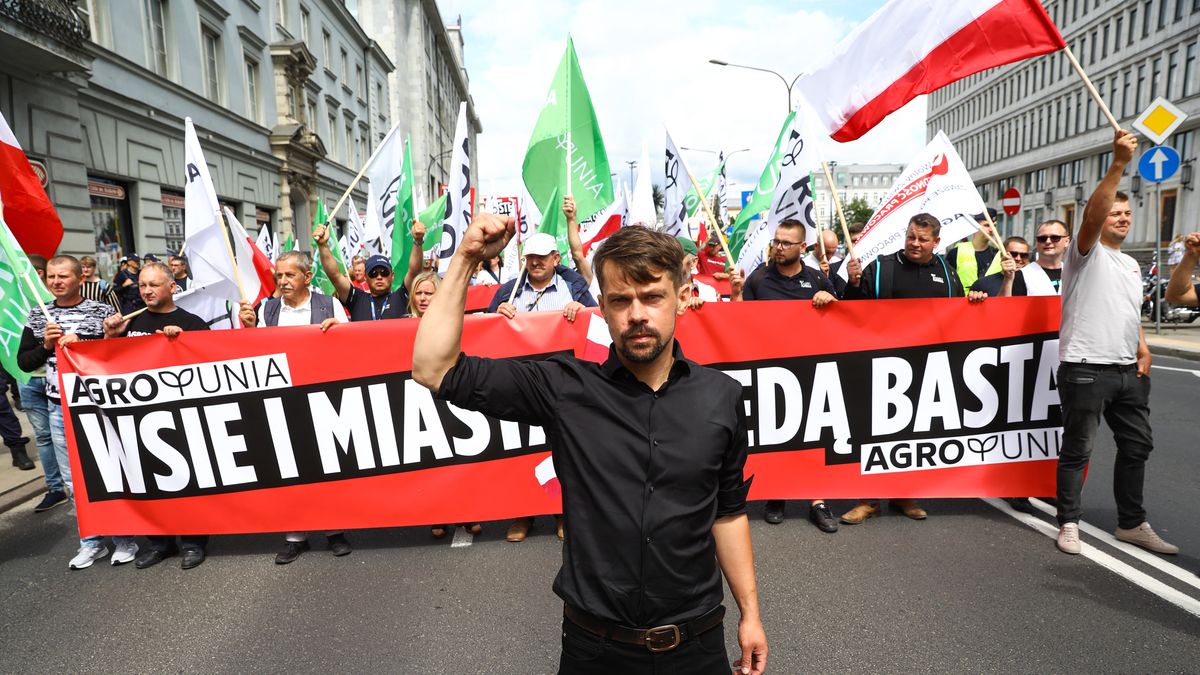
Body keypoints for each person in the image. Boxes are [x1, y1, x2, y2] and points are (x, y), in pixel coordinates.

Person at [413, 218, 767, 674]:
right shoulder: (565, 388)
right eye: (620, 300)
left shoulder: (722, 396)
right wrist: (465, 258)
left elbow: (728, 512)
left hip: (697, 646)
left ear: (682, 297)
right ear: (602, 306)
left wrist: (751, 614)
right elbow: (432, 367)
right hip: (595, 650)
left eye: (652, 297)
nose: (636, 314)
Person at [1054, 129, 1176, 557]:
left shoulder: (1130, 265)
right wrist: (1119, 163)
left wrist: (1143, 346)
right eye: (1114, 212)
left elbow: (1128, 311)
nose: (1122, 218)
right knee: (1078, 449)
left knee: (1138, 445)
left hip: (1128, 372)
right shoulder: (1084, 253)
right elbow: (1091, 216)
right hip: (1086, 367)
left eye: (1127, 213)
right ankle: (1069, 522)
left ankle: (1131, 523)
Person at [841, 214, 988, 524]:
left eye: (923, 239)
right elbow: (852, 311)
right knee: (873, 434)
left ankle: (903, 494)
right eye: (911, 236)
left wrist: (974, 300)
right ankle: (868, 500)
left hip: (925, 370)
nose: (915, 243)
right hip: (880, 364)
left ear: (936, 242)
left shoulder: (946, 273)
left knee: (912, 434)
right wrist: (853, 285)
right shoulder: (881, 267)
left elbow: (958, 316)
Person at [17, 255, 138, 569]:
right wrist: (46, 345)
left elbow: (119, 355)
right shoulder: (38, 315)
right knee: (73, 480)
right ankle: (91, 541)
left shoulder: (101, 311)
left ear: (79, 279)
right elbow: (24, 363)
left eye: (63, 276)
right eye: (52, 277)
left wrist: (87, 341)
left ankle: (124, 539)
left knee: (108, 471)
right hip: (59, 408)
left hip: (96, 406)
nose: (56, 282)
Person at [234, 251, 355, 564]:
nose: (283, 281)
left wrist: (340, 332)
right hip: (282, 400)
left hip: (322, 397)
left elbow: (352, 346)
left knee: (325, 466)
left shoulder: (329, 305)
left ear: (307, 276)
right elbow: (257, 355)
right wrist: (251, 329)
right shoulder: (268, 309)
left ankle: (334, 531)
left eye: (289, 275)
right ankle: (295, 536)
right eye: (279, 275)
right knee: (289, 468)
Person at [486, 229, 596, 542]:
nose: (535, 262)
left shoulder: (573, 287)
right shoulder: (509, 291)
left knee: (561, 447)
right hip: (520, 383)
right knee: (521, 449)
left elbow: (597, 319)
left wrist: (582, 311)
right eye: (530, 257)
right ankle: (523, 514)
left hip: (563, 382)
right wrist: (497, 314)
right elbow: (487, 328)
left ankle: (561, 512)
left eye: (542, 257)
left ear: (555, 258)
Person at [730, 220, 839, 533]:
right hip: (771, 371)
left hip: (811, 370)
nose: (778, 247)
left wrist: (829, 300)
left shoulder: (816, 278)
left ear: (802, 247)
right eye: (776, 241)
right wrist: (736, 295)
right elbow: (737, 321)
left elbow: (841, 319)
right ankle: (776, 494)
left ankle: (817, 501)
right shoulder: (758, 278)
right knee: (776, 433)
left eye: (786, 243)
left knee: (814, 437)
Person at [102, 262, 212, 569]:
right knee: (148, 481)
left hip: (180, 417)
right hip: (138, 416)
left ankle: (193, 542)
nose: (146, 291)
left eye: (154, 284)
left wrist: (183, 344)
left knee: (187, 482)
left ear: (172, 287)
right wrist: (110, 338)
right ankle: (160, 543)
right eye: (142, 285)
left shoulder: (192, 322)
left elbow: (209, 367)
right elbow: (109, 365)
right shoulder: (129, 321)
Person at [314, 219, 425, 321]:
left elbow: (414, 271)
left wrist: (418, 241)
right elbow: (335, 276)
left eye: (384, 272)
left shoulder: (401, 297)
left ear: (392, 276)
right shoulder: (356, 299)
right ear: (366, 278)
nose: (379, 277)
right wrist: (323, 245)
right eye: (373, 273)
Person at [946, 209, 1003, 294]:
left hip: (990, 301)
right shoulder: (956, 252)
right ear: (974, 226)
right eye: (987, 225)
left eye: (994, 226)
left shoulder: (999, 254)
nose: (992, 229)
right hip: (963, 301)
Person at [1165, 231, 1199, 307]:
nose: (1182, 238)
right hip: (1175, 256)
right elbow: (1176, 296)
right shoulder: (1173, 243)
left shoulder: (1180, 244)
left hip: (1179, 256)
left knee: (1176, 267)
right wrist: (1192, 253)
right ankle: (1172, 277)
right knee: (1174, 267)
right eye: (1181, 237)